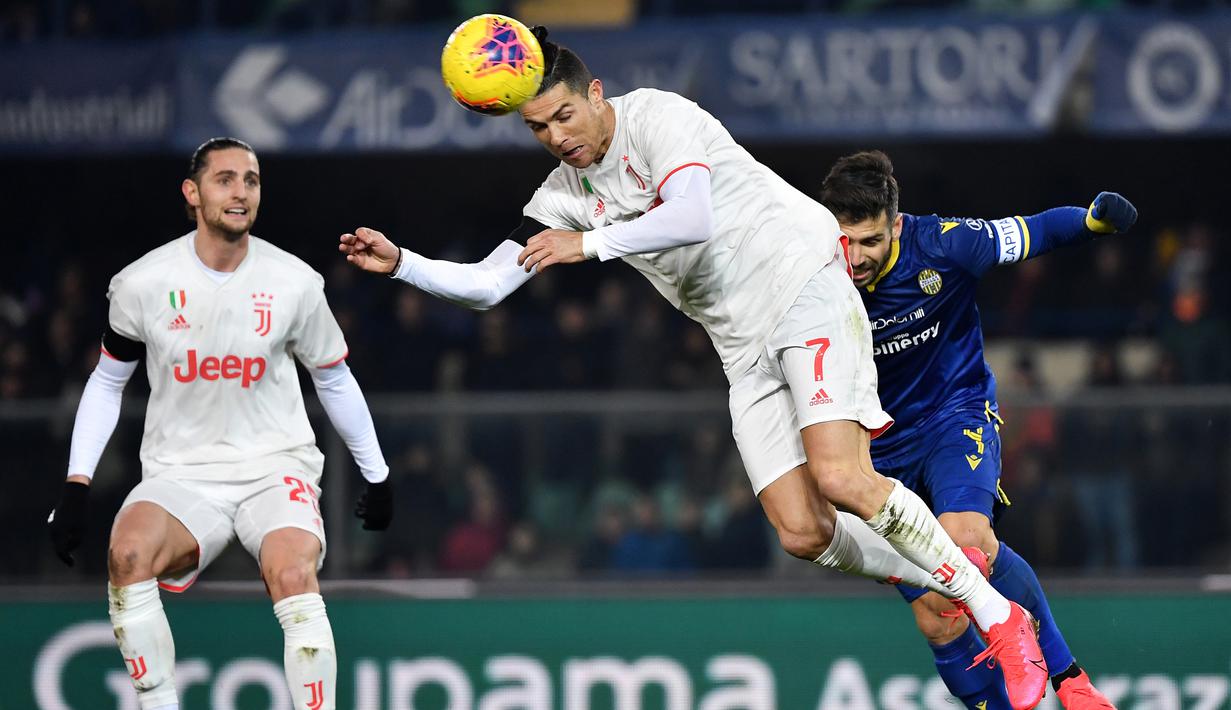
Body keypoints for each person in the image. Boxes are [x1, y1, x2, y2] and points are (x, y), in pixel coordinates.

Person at [341, 27, 1048, 708]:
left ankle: (995, 614)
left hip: (803, 283)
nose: (556, 136)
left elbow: (690, 215)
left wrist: (588, 246)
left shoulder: (656, 116)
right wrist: (404, 264)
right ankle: (963, 587)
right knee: (802, 532)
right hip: (742, 346)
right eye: (536, 127)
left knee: (839, 478)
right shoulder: (562, 196)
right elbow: (490, 284)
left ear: (595, 93)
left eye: (563, 115)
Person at [46, 137, 393, 710]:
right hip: (180, 473)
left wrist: (377, 476)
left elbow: (333, 379)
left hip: (276, 468)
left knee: (293, 575)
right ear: (193, 192)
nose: (240, 192)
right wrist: (76, 484)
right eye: (225, 179)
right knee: (126, 556)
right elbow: (107, 382)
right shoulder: (142, 284)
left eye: (251, 180)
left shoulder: (295, 282)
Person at [819, 150, 1137, 710]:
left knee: (967, 544)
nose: (856, 257)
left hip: (954, 414)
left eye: (870, 241)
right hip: (874, 451)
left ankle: (1070, 681)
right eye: (846, 241)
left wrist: (1091, 222)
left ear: (896, 225)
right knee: (937, 614)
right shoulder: (810, 268)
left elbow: (1034, 232)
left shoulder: (946, 245)